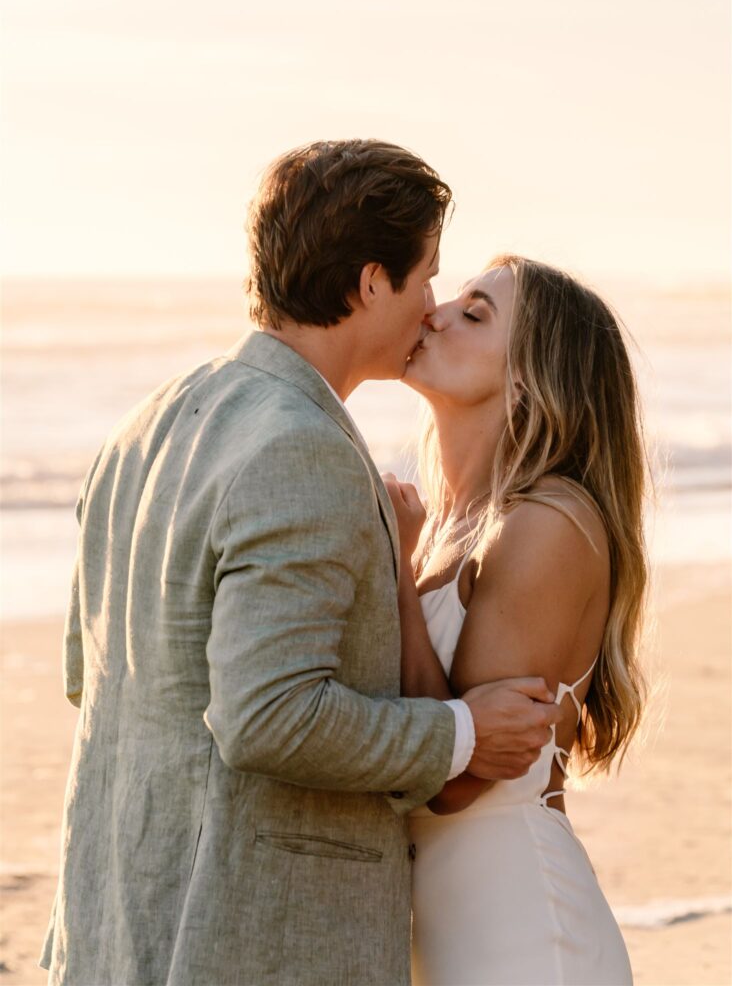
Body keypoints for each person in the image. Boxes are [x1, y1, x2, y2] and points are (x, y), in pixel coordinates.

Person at [40, 143, 562, 986]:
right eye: (425, 275)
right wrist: (464, 733)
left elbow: (90, 672)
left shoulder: (146, 423)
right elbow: (270, 716)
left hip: (114, 917)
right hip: (251, 936)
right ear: (368, 283)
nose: (431, 305)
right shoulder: (303, 448)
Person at [384, 256, 648, 985]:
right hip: (445, 925)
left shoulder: (548, 522)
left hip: (520, 928)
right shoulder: (445, 527)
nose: (433, 312)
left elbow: (457, 780)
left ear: (533, 378)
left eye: (474, 314)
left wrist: (398, 584)